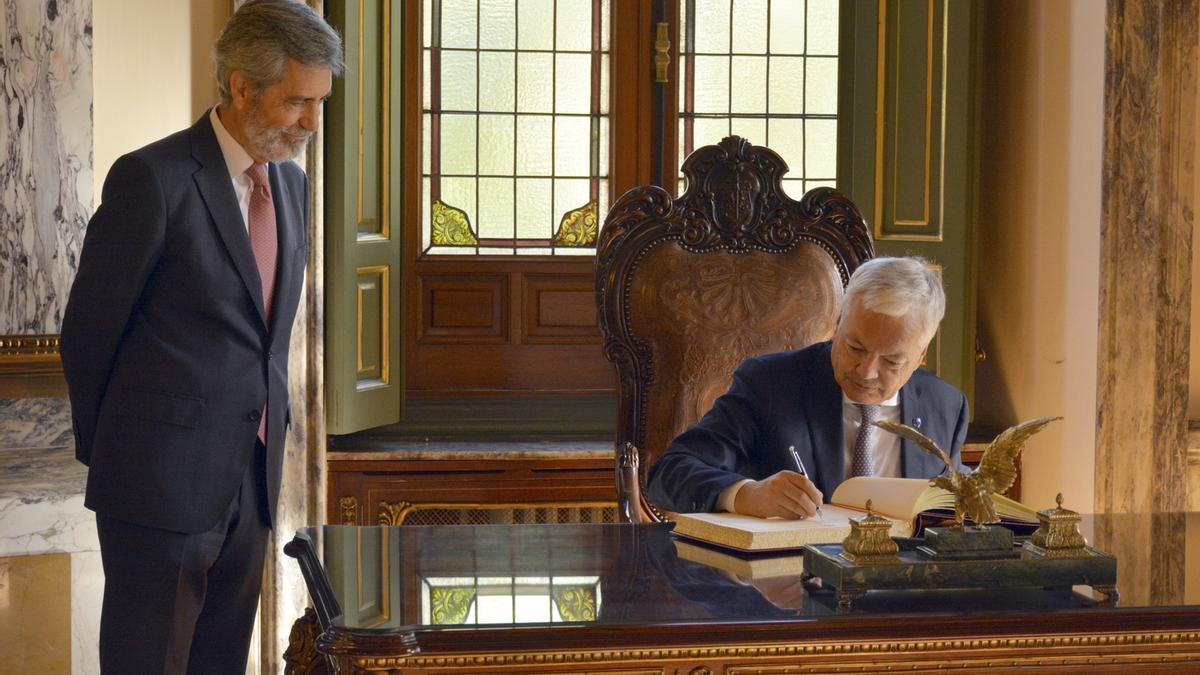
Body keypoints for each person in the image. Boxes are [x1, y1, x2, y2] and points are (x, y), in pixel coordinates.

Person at [59, 2, 343, 672]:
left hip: (252, 484)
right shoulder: (151, 181)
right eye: (298, 102)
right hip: (156, 492)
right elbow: (87, 334)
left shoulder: (295, 189)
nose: (311, 122)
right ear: (242, 85)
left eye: (320, 102)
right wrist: (131, 459)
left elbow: (266, 340)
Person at [645, 256, 968, 519]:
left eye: (892, 362)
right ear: (838, 322)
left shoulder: (946, 407)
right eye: (855, 347)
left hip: (900, 587)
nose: (867, 372)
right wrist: (747, 495)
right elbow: (669, 473)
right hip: (790, 585)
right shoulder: (770, 384)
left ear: (921, 355)